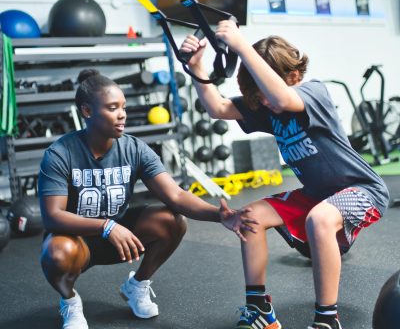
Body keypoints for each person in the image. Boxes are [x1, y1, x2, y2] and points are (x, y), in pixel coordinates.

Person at [180, 20, 389, 329]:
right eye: (256, 94)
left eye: (263, 91)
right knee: (249, 215)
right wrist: (196, 66)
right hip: (318, 195)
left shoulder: (312, 92)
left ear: (293, 76)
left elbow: (279, 97)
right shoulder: (268, 107)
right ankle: (259, 309)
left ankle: (327, 320)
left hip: (362, 189)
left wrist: (240, 46)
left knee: (319, 219)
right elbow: (218, 108)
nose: (262, 101)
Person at [38, 68, 258, 329]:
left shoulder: (134, 149)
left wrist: (219, 215)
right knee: (56, 253)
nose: (122, 115)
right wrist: (105, 226)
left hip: (121, 237)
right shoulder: (60, 154)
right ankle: (70, 302)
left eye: (123, 107)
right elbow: (53, 216)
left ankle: (137, 286)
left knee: (172, 220)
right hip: (78, 241)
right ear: (87, 112)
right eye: (112, 108)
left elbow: (175, 195)